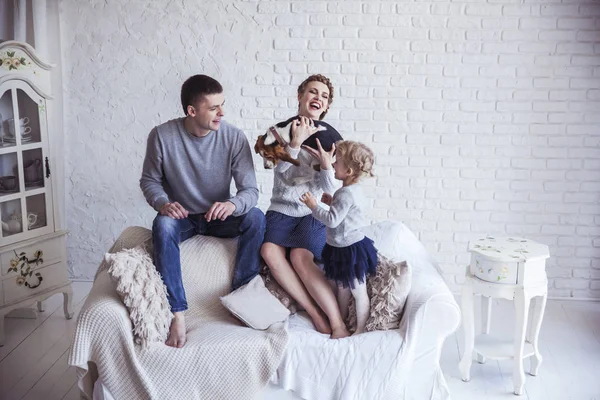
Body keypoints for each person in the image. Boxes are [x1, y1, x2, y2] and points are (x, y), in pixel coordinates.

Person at [140, 74, 266, 348]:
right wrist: (163, 203)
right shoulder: (162, 136)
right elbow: (149, 180)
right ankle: (177, 313)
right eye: (214, 108)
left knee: (256, 217)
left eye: (223, 105)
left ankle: (242, 297)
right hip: (182, 218)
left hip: (219, 217)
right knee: (162, 225)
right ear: (191, 111)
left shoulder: (233, 137)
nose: (222, 113)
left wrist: (232, 204)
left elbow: (251, 191)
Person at [260, 74, 350, 339]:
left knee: (300, 257)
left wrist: (325, 166)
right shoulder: (277, 133)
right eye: (313, 92)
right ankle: (313, 311)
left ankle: (337, 323)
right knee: (268, 250)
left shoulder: (332, 140)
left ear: (326, 107)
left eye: (324, 97)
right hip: (281, 210)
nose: (317, 98)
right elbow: (284, 174)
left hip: (311, 211)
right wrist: (295, 144)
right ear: (300, 96)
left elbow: (331, 189)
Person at [300, 140, 377, 335]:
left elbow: (333, 220)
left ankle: (360, 329)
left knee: (357, 291)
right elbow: (347, 213)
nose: (333, 165)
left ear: (349, 171)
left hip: (349, 248)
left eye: (337, 162)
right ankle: (342, 322)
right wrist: (332, 201)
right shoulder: (352, 191)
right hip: (341, 246)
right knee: (343, 288)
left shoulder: (345, 194)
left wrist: (313, 206)